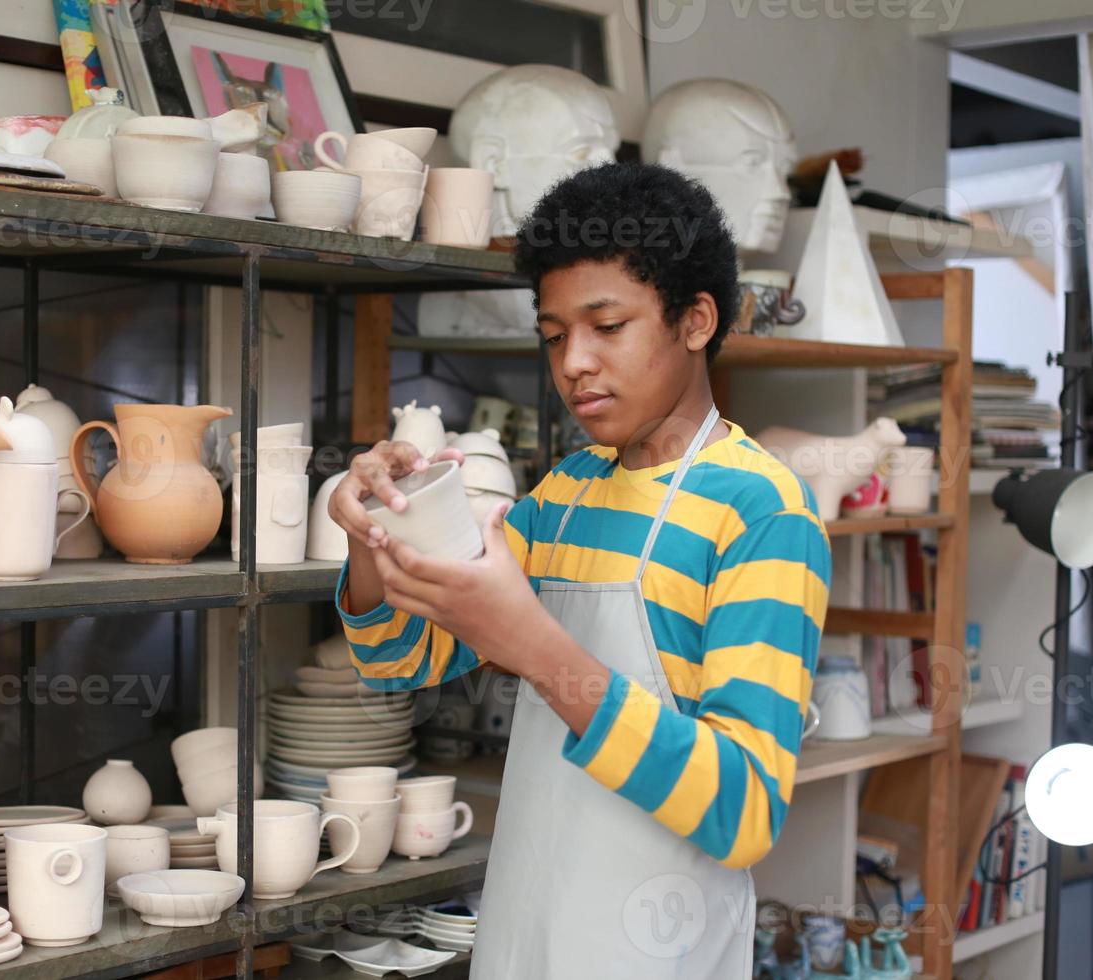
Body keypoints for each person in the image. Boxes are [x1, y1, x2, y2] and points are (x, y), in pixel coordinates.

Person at [329, 162, 832, 977]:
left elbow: (742, 809)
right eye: (556, 335)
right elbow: (397, 659)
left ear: (697, 320)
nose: (574, 364)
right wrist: (371, 529)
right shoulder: (564, 494)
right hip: (527, 937)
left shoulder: (762, 512)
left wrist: (533, 647)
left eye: (607, 326)